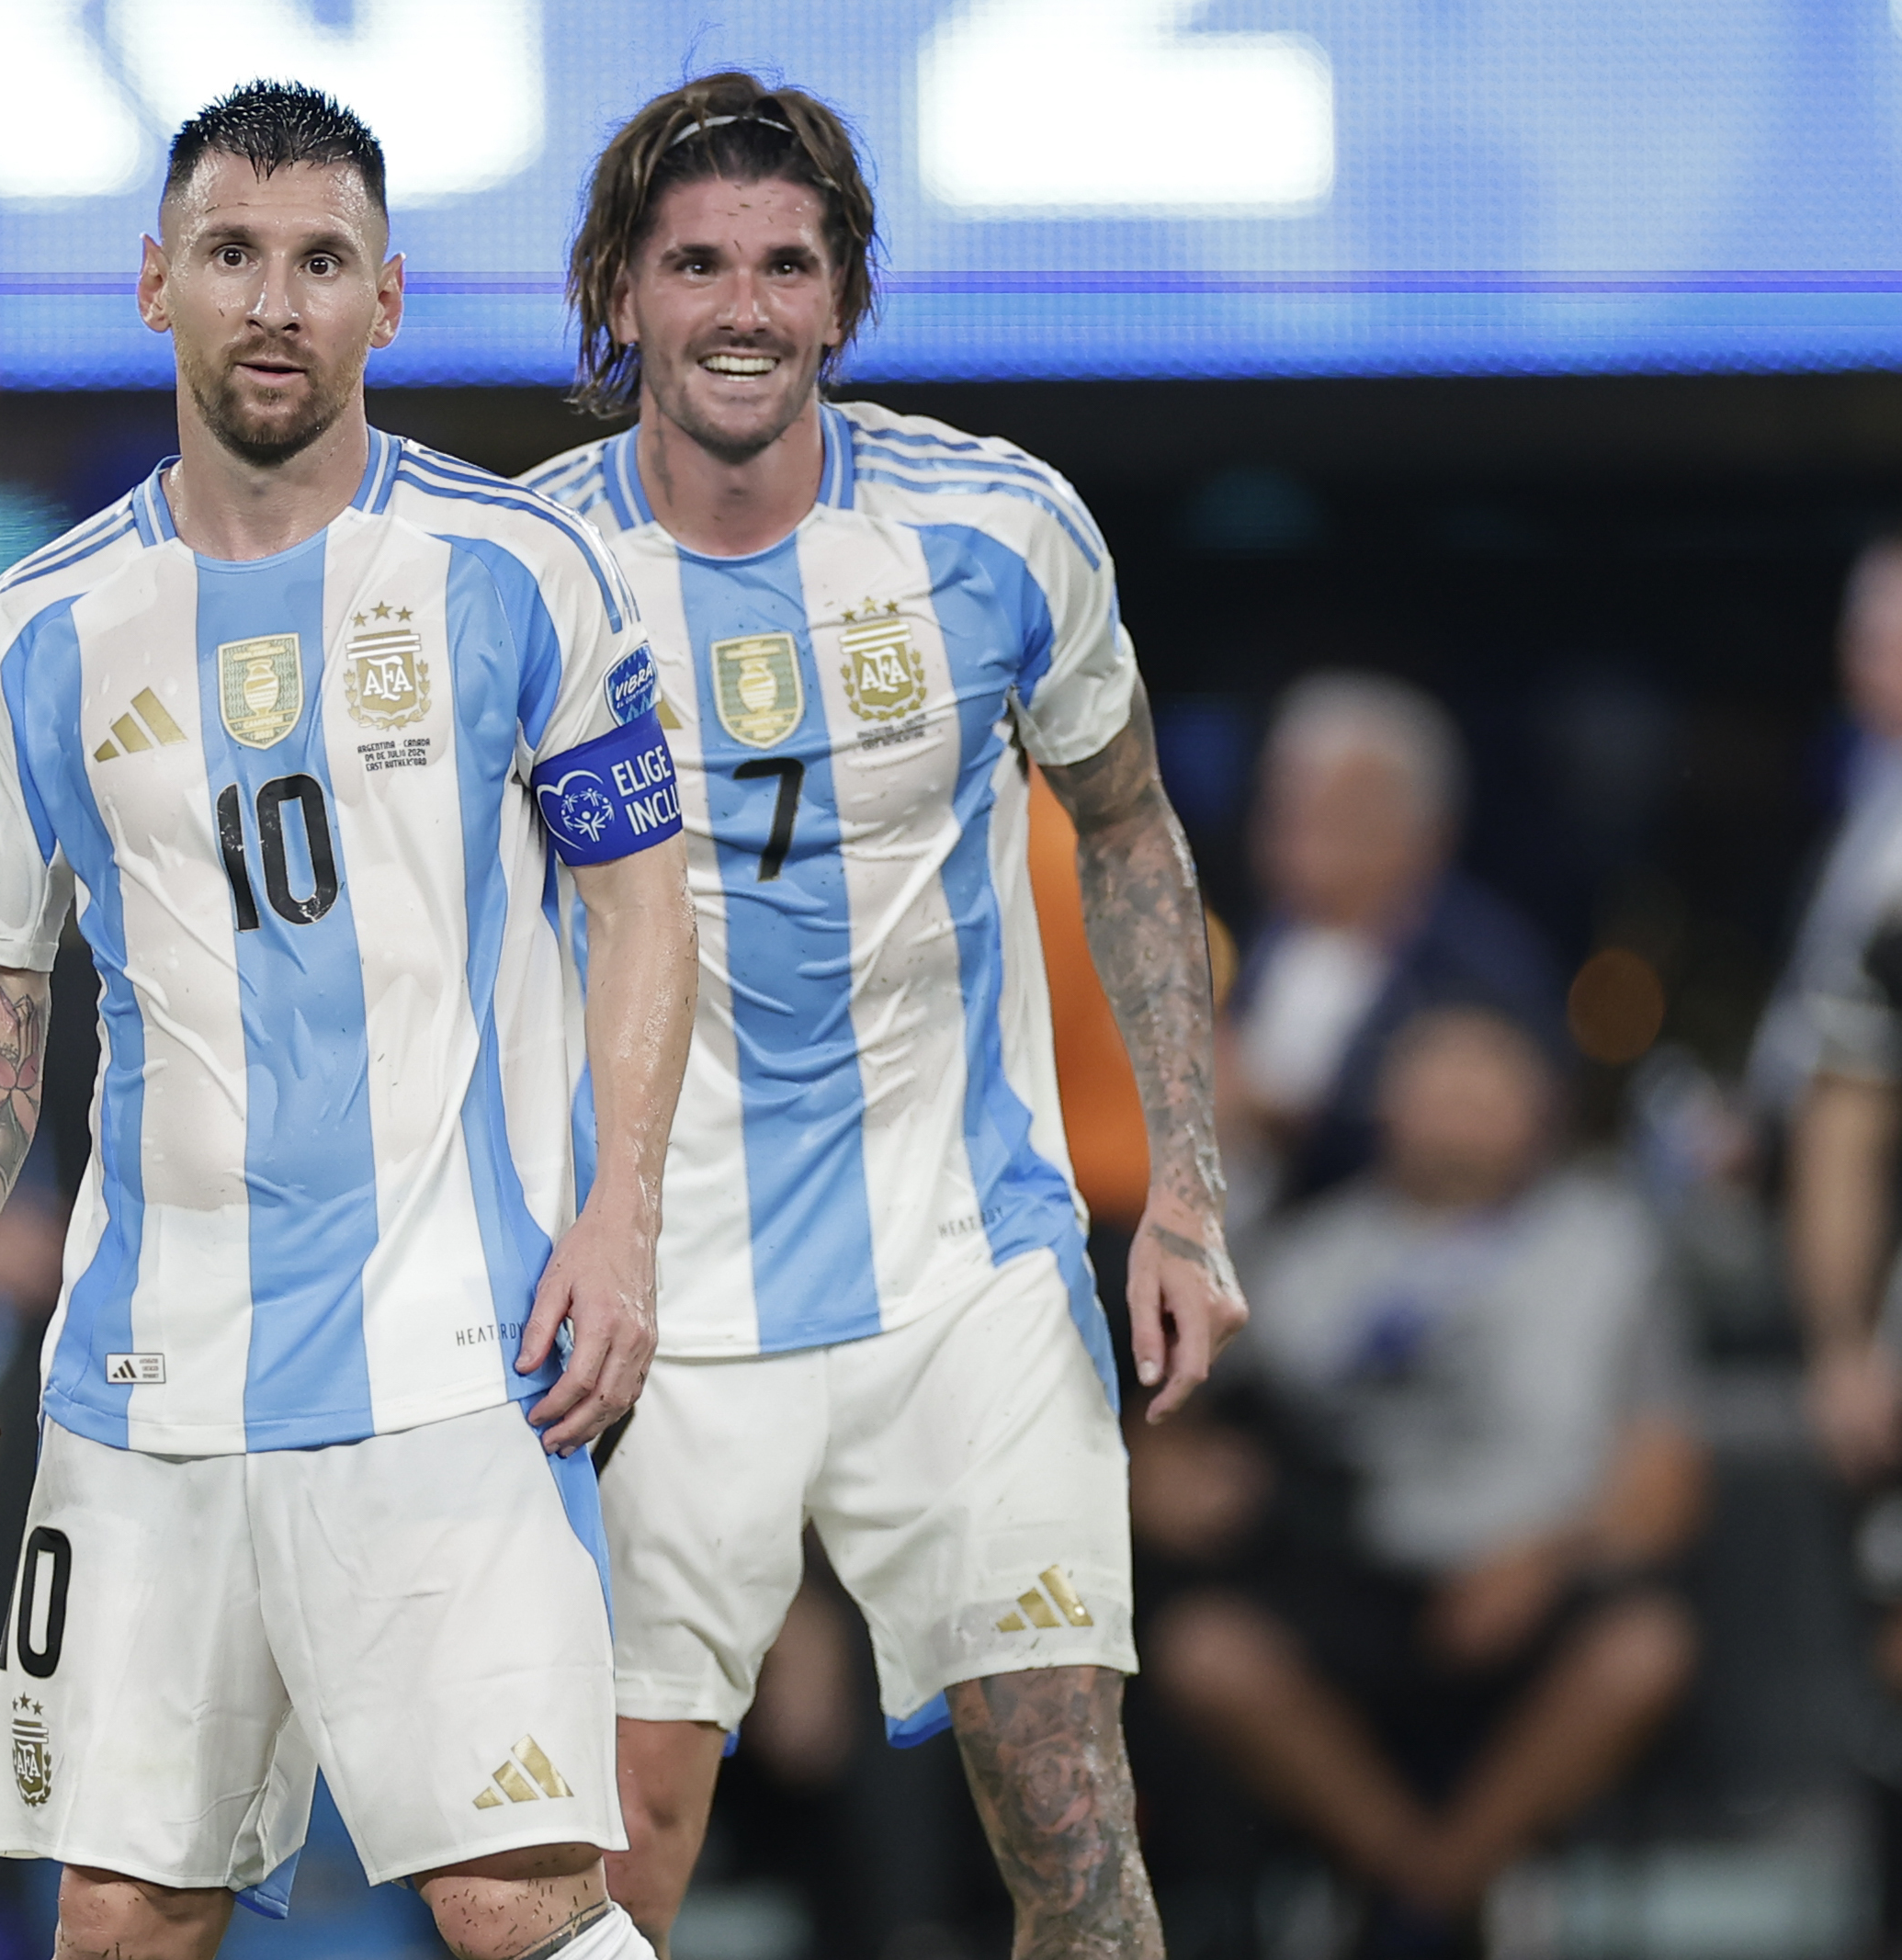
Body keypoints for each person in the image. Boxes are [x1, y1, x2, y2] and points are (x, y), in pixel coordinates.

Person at [0, 83, 696, 1960]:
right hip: (147, 1381)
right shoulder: (41, 624)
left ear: (385, 301)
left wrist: (620, 1212)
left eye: (320, 261)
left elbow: (643, 900)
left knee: (513, 1899)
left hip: (453, 1355)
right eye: (232, 254)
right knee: (122, 1916)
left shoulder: (515, 571)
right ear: (154, 278)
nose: (273, 300)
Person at [521, 74, 1244, 1960]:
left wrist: (1182, 1187)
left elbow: (1132, 829)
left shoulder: (999, 530)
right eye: (694, 264)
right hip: (652, 1295)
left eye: (783, 262)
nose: (741, 304)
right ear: (619, 291)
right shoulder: (515, 575)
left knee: (1071, 1800)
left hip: (963, 1267)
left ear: (842, 297)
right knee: (610, 1852)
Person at [1139, 1007, 1705, 1925]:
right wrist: (1176, 1479)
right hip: (1347, 1580)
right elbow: (1168, 1440)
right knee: (1203, 1652)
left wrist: (1539, 1561)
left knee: (1644, 1653)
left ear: (1541, 1110)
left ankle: (1424, 1894)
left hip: (1539, 1579)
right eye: (1435, 1089)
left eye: (1485, 1089)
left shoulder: (1608, 1252)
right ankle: (1427, 1884)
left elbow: (1666, 1485)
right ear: (1382, 1110)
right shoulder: (1300, 1257)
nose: (1458, 1111)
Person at [1224, 672, 1558, 1210]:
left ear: (1425, 824)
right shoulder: (1248, 941)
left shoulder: (1483, 967)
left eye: (1339, 813)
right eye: (1287, 808)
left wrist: (1295, 1120)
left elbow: (1482, 1142)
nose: (1300, 837)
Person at [1750, 532, 1902, 1121]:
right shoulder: (1868, 780)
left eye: (1887, 639)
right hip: (1808, 1104)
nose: (1864, 660)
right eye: (1860, 637)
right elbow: (1823, 981)